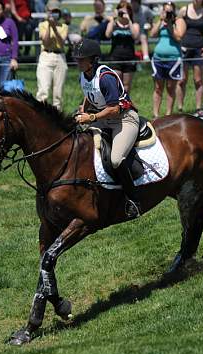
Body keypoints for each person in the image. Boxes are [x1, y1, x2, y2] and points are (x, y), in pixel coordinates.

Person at [73, 39, 142, 219]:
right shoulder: (84, 74)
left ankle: (134, 199)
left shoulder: (106, 77)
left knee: (117, 160)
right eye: (77, 59)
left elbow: (114, 108)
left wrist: (92, 117)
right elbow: (89, 93)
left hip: (123, 119)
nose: (78, 62)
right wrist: (83, 108)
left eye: (82, 59)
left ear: (93, 60)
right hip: (105, 118)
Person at [176, 0, 203, 114]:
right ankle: (180, 108)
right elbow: (177, 25)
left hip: (199, 49)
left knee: (198, 80)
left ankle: (199, 108)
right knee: (182, 80)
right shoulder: (184, 10)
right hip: (184, 48)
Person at [149, 1, 186, 118]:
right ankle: (155, 114)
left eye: (170, 11)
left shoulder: (178, 21)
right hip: (158, 59)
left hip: (174, 60)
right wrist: (160, 20)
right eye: (166, 10)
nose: (168, 13)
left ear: (174, 11)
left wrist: (170, 24)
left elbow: (178, 37)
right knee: (158, 87)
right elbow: (152, 34)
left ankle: (168, 114)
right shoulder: (161, 21)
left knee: (171, 87)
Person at [36, 0, 68, 109]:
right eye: (52, 11)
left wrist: (54, 27)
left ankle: (56, 119)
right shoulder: (42, 25)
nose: (54, 13)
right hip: (46, 56)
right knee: (43, 91)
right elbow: (46, 42)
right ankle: (40, 117)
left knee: (58, 94)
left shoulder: (64, 26)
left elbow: (61, 42)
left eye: (56, 11)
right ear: (47, 12)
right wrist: (50, 26)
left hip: (60, 57)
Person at [105, 1, 139, 93]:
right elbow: (107, 34)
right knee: (116, 84)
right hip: (115, 58)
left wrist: (129, 21)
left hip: (129, 58)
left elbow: (135, 36)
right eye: (121, 10)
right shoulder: (113, 24)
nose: (123, 13)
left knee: (126, 86)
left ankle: (125, 105)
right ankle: (116, 105)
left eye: (126, 10)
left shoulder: (134, 25)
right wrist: (113, 19)